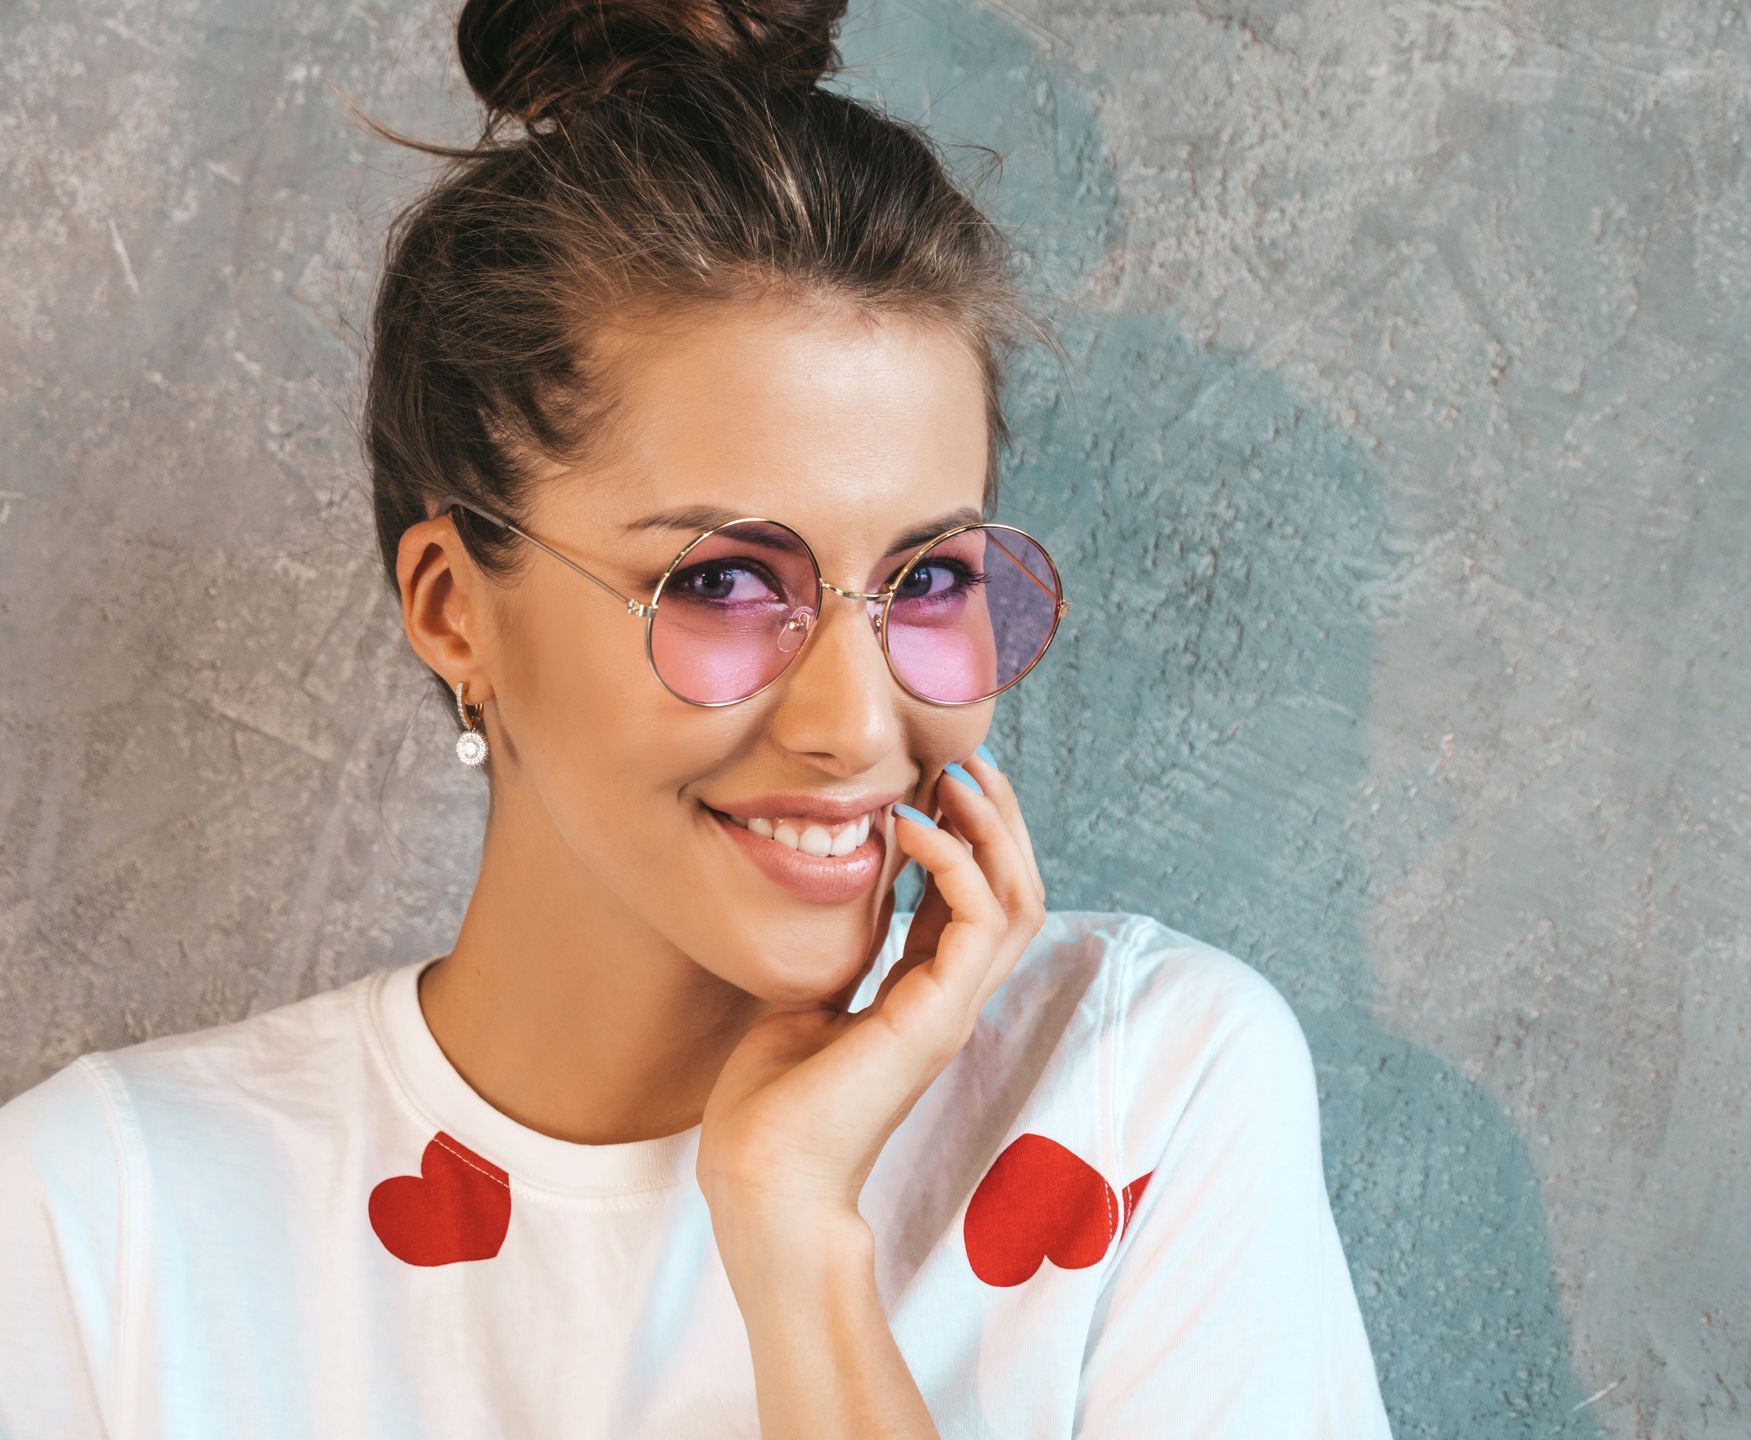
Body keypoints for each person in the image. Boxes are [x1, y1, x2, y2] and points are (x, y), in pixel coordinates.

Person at [0, 1, 1393, 1435]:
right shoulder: (105, 1228)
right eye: (724, 579)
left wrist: (798, 1243)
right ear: (451, 608)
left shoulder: (1137, 1099)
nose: (858, 724)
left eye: (927, 578)